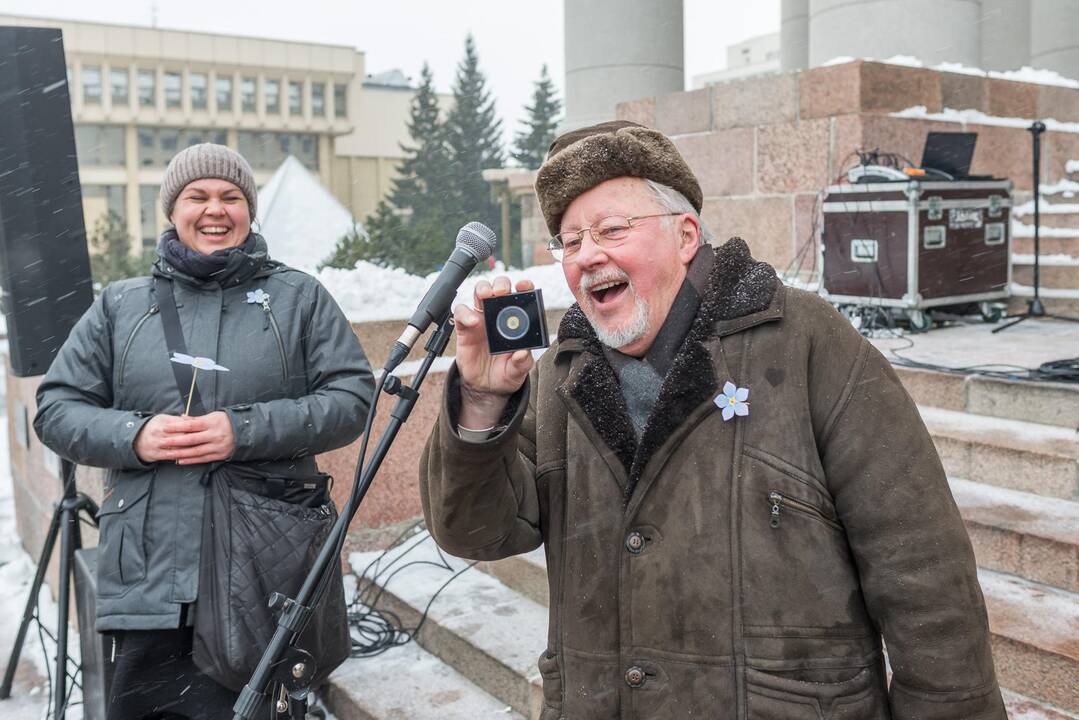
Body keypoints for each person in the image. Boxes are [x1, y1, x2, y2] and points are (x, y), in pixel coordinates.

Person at [419, 121, 1005, 719]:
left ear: (686, 235)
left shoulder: (806, 343)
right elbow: (477, 531)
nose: (587, 255)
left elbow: (922, 573)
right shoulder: (557, 377)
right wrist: (484, 403)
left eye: (611, 229)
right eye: (569, 242)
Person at [34, 143, 374, 719]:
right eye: (198, 196)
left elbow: (351, 400)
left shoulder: (298, 299)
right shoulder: (121, 306)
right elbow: (56, 407)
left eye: (231, 197)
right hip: (148, 577)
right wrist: (134, 436)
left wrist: (242, 430)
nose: (215, 209)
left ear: (249, 210)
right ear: (173, 209)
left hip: (261, 570)